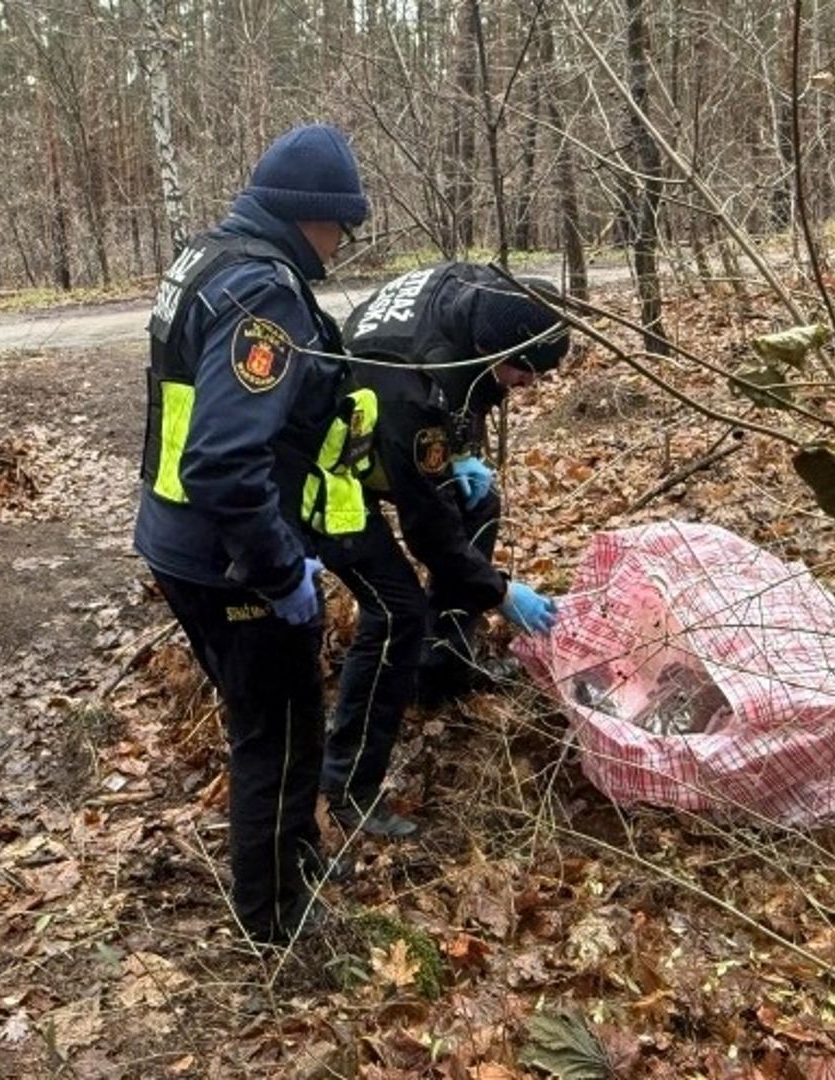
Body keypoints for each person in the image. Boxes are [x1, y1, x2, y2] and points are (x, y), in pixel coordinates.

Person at [134, 124, 374, 945]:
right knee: (274, 730)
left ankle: (294, 859)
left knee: (279, 714)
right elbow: (225, 461)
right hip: (229, 557)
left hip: (182, 541)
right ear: (311, 213)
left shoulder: (206, 258)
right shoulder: (261, 294)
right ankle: (276, 923)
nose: (341, 246)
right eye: (342, 226)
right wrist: (278, 572)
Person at [317, 263, 567, 838]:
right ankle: (346, 786)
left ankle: (444, 666)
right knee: (395, 610)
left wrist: (458, 454)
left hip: (384, 433)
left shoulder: (473, 290)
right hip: (327, 475)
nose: (529, 386)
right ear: (491, 348)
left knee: (479, 503)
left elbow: (463, 399)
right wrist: (503, 593)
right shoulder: (416, 387)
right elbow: (429, 535)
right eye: (523, 373)